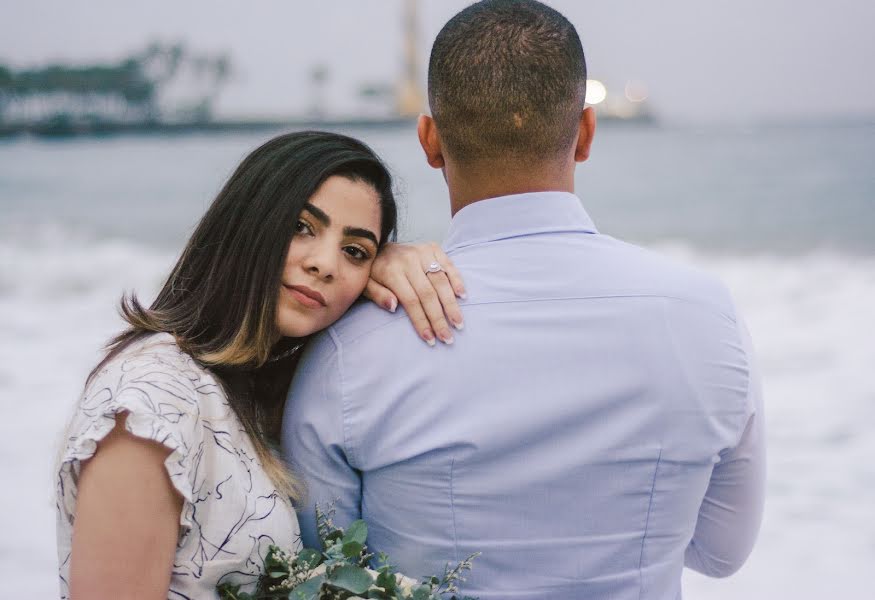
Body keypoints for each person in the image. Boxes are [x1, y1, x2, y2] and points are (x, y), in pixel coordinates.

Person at [281, 1, 766, 599]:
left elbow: (322, 565)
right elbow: (722, 552)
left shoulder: (348, 349)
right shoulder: (705, 316)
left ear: (430, 141)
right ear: (585, 132)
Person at [54, 130, 466, 599]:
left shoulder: (258, 389)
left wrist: (394, 265)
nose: (325, 265)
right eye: (301, 226)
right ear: (248, 221)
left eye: (355, 251)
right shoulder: (151, 402)